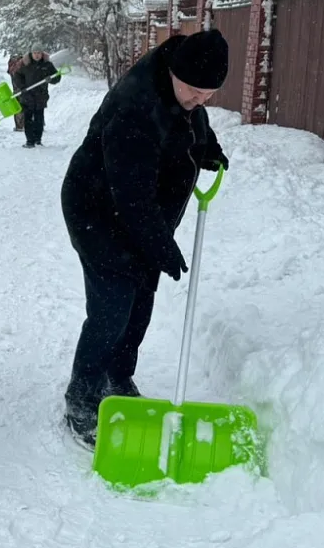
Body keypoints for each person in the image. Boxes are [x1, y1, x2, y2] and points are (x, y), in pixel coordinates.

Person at [59, 29, 231, 447]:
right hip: (98, 213)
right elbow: (130, 196)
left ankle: (118, 377)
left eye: (209, 94)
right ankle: (81, 399)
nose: (200, 99)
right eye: (194, 90)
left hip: (142, 217)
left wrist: (206, 147)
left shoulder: (183, 92)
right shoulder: (134, 108)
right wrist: (160, 245)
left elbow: (190, 125)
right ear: (175, 73)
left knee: (140, 303)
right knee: (112, 308)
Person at [11, 42, 61, 148]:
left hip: (40, 96)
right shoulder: (24, 63)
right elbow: (17, 76)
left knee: (39, 119)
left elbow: (57, 77)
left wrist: (51, 79)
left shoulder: (47, 64)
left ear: (42, 53)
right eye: (35, 53)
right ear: (31, 53)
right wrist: (22, 87)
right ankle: (30, 141)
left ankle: (38, 139)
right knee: (28, 119)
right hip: (27, 95)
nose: (37, 55)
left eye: (39, 53)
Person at [6, 52, 26, 133]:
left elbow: (9, 72)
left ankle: (19, 126)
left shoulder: (12, 64)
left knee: (18, 106)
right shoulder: (22, 63)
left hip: (18, 89)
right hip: (24, 88)